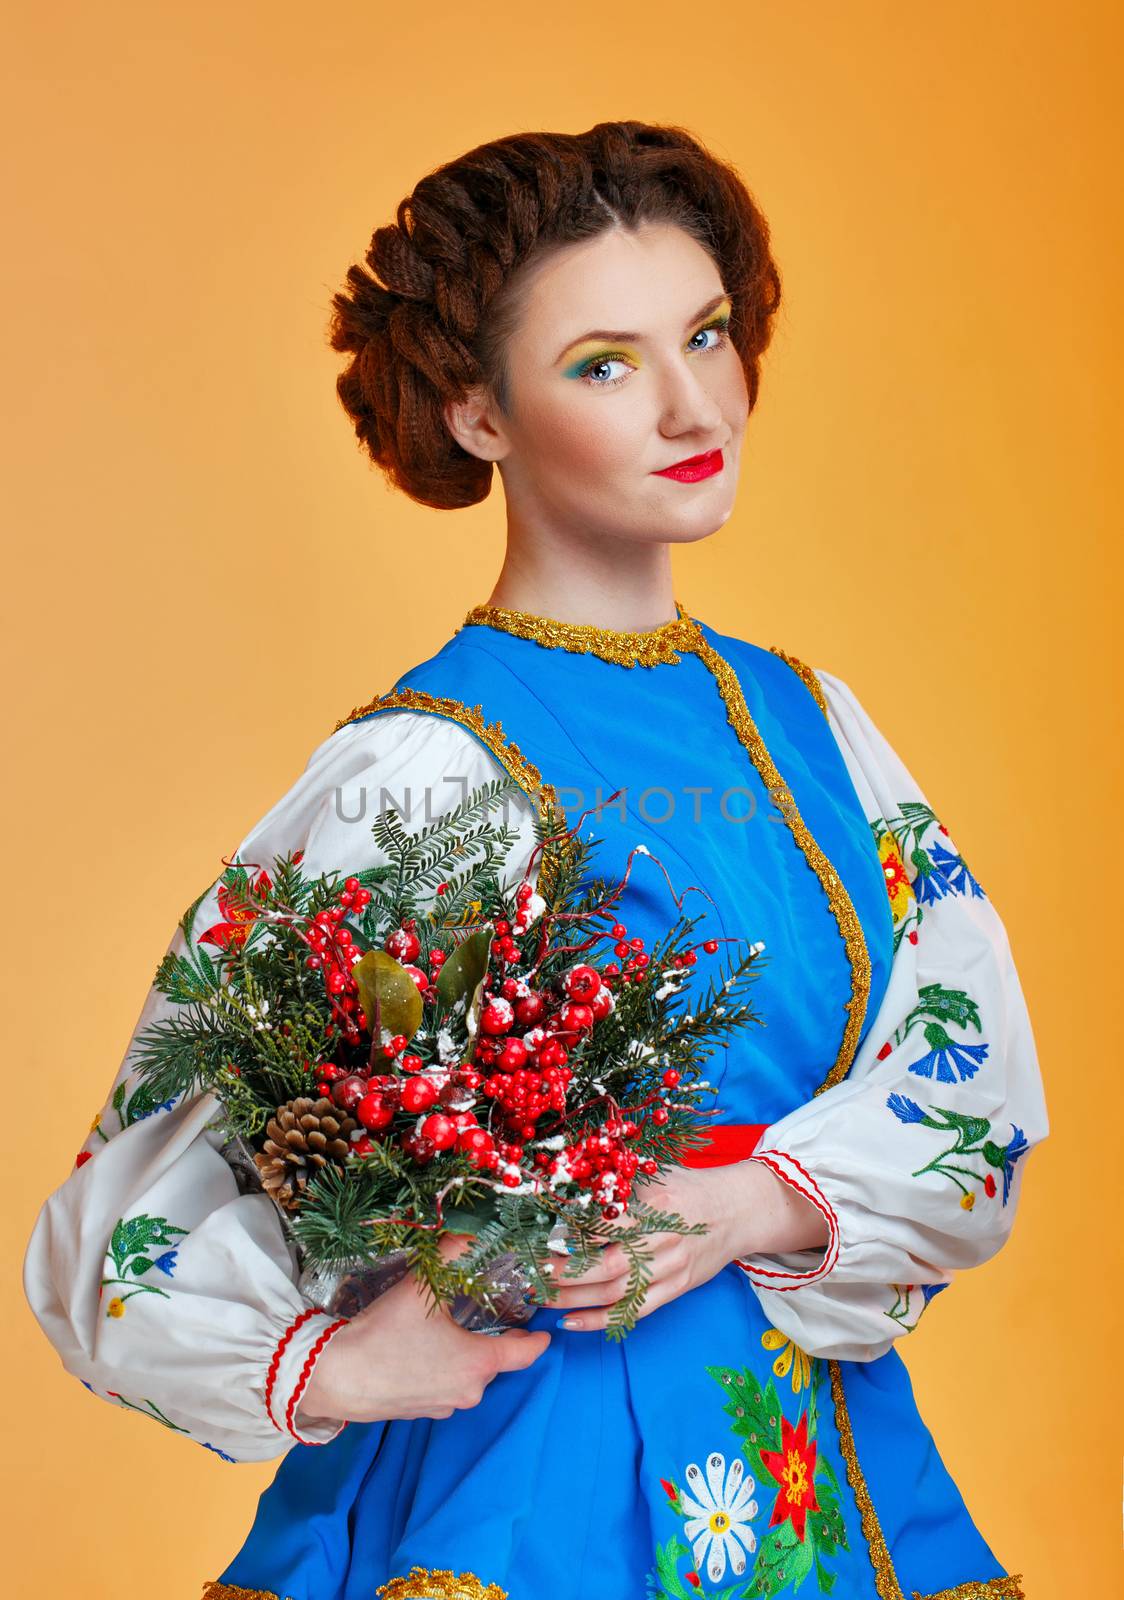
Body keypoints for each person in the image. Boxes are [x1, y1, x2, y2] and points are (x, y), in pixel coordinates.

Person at [23, 120, 1046, 1600]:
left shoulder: (814, 722)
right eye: (605, 363)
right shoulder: (422, 770)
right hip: (526, 1492)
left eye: (706, 334)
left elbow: (978, 1085)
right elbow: (122, 1218)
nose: (694, 402)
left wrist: (750, 1203)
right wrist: (337, 1360)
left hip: (813, 1465)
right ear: (478, 416)